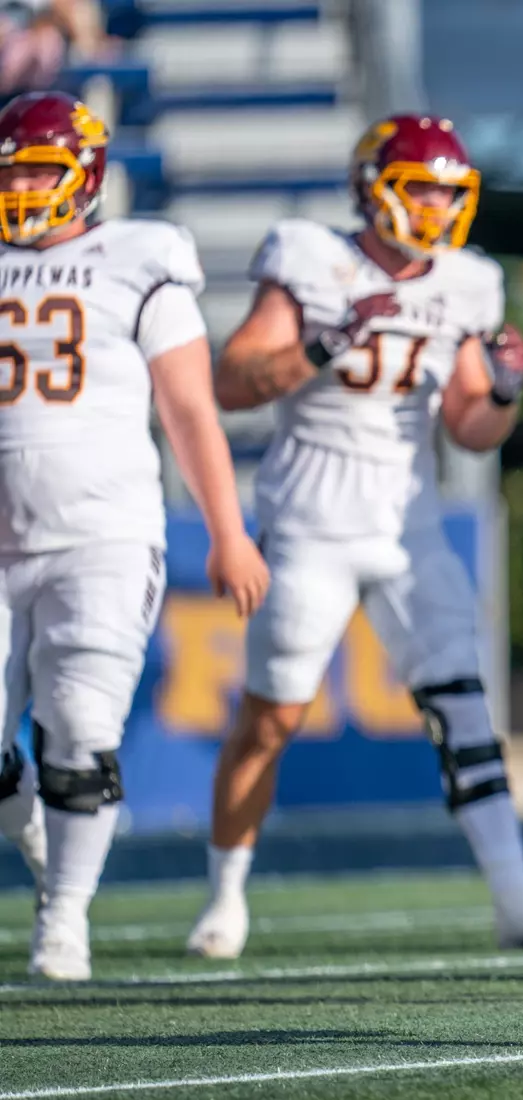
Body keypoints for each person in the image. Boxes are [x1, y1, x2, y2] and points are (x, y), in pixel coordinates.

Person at [185, 114, 523, 959]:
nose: (439, 206)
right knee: (271, 718)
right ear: (375, 188)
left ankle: (517, 901)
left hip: (411, 525)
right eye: (422, 188)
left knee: (465, 709)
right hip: (310, 526)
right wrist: (321, 342)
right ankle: (224, 896)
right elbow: (233, 382)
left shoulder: (470, 281)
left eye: (450, 190)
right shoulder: (310, 258)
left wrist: (508, 392)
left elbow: (470, 426)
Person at [0, 92, 268, 981]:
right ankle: (38, 832)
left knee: (80, 725)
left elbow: (187, 408)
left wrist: (228, 530)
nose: (25, 186)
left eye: (40, 169)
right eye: (14, 170)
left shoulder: (137, 256)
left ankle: (63, 921)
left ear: (84, 176)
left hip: (104, 534)